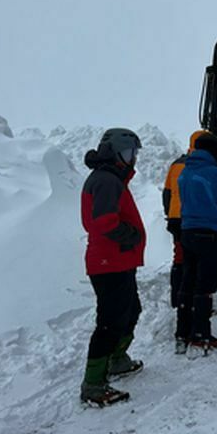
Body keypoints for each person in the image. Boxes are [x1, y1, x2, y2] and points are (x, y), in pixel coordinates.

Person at [79, 128, 145, 407]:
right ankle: (93, 383)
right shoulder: (106, 180)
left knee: (130, 311)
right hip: (108, 261)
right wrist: (130, 235)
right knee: (110, 321)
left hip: (118, 260)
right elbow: (104, 221)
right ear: (116, 153)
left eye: (134, 154)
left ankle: (117, 359)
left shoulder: (112, 178)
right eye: (130, 153)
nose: (133, 160)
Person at [176, 133, 217, 354]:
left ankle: (182, 333)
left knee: (188, 280)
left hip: (187, 232)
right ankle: (201, 334)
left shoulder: (185, 173)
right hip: (210, 235)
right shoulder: (214, 174)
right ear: (214, 151)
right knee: (206, 285)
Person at [162, 130, 208, 316]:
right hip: (193, 218)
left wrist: (170, 213)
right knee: (196, 259)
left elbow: (166, 192)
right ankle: (194, 300)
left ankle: (177, 298)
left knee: (179, 256)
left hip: (175, 217)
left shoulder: (176, 164)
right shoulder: (202, 165)